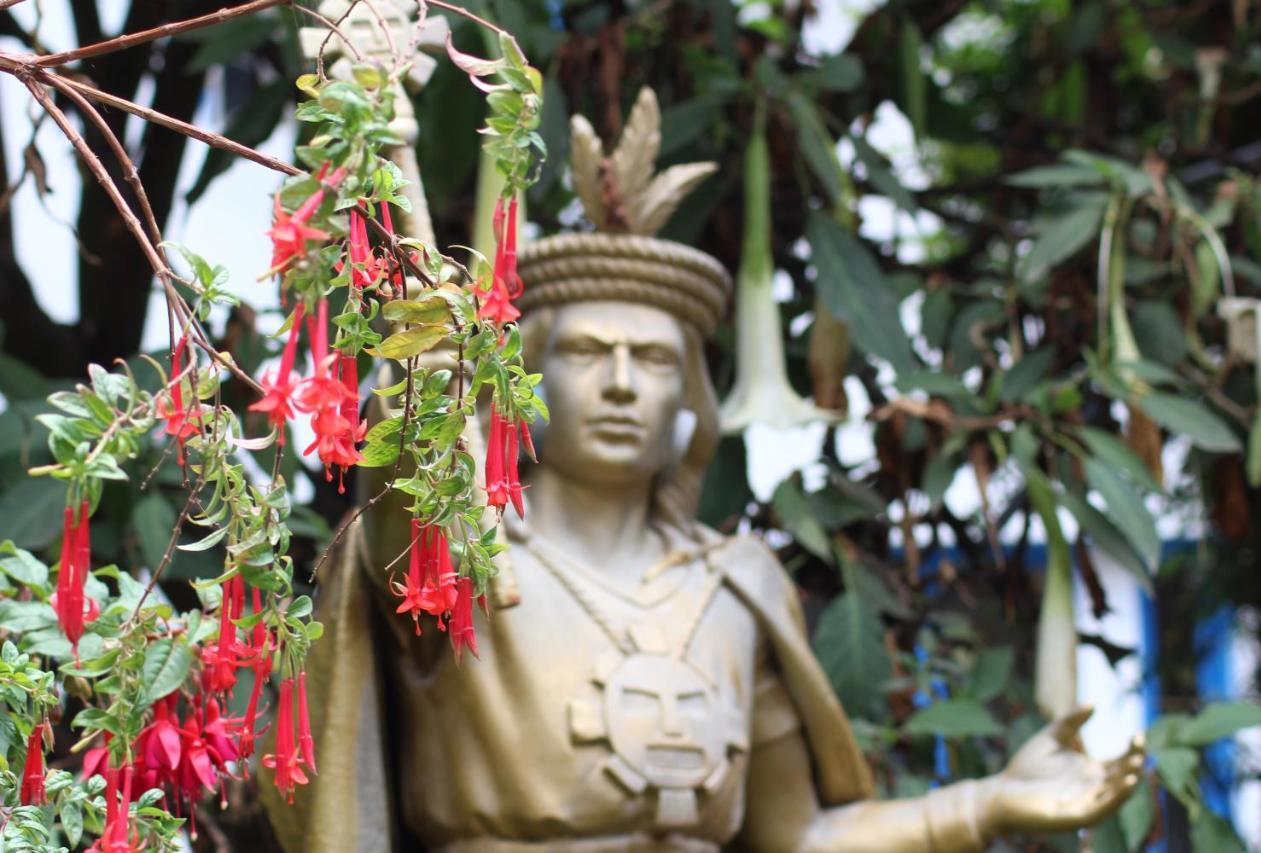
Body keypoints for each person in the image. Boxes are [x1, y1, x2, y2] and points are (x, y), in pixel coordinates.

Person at [262, 90, 1142, 852]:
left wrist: (985, 803)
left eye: (650, 359)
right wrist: (425, 361)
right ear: (522, 379)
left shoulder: (740, 585)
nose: (618, 384)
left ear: (689, 392)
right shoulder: (461, 555)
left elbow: (796, 836)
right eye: (588, 353)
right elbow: (404, 476)